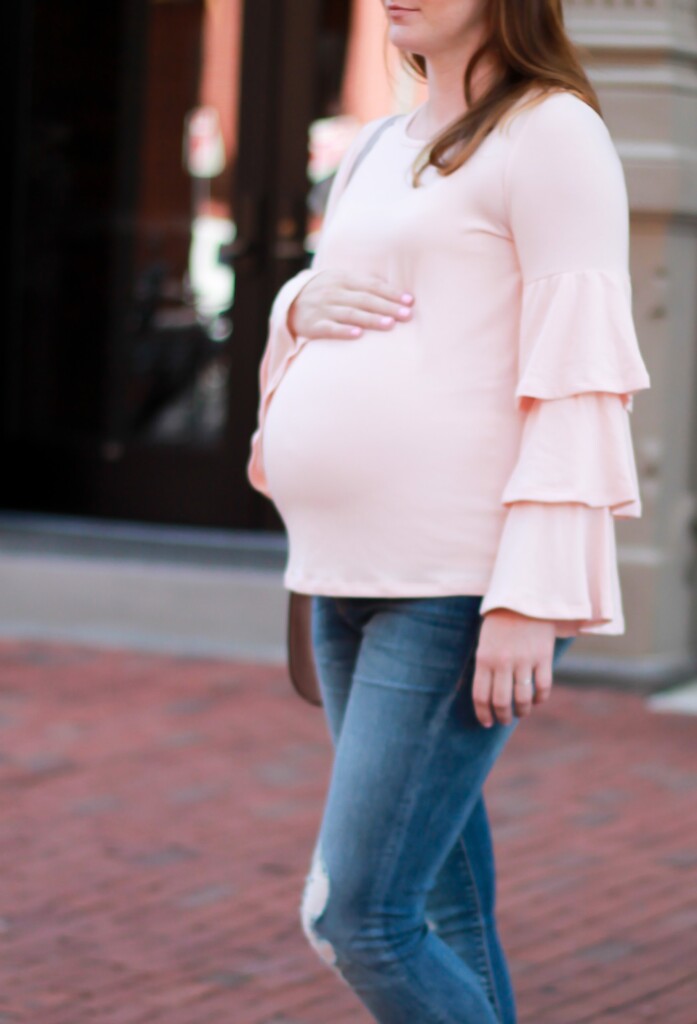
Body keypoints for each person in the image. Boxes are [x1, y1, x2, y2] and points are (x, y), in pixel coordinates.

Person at [246, 1, 652, 1020]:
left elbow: (578, 375)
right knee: (441, 907)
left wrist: (531, 595)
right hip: (344, 571)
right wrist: (292, 304)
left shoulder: (549, 130)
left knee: (356, 917)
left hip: (456, 585)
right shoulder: (379, 144)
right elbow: (341, 298)